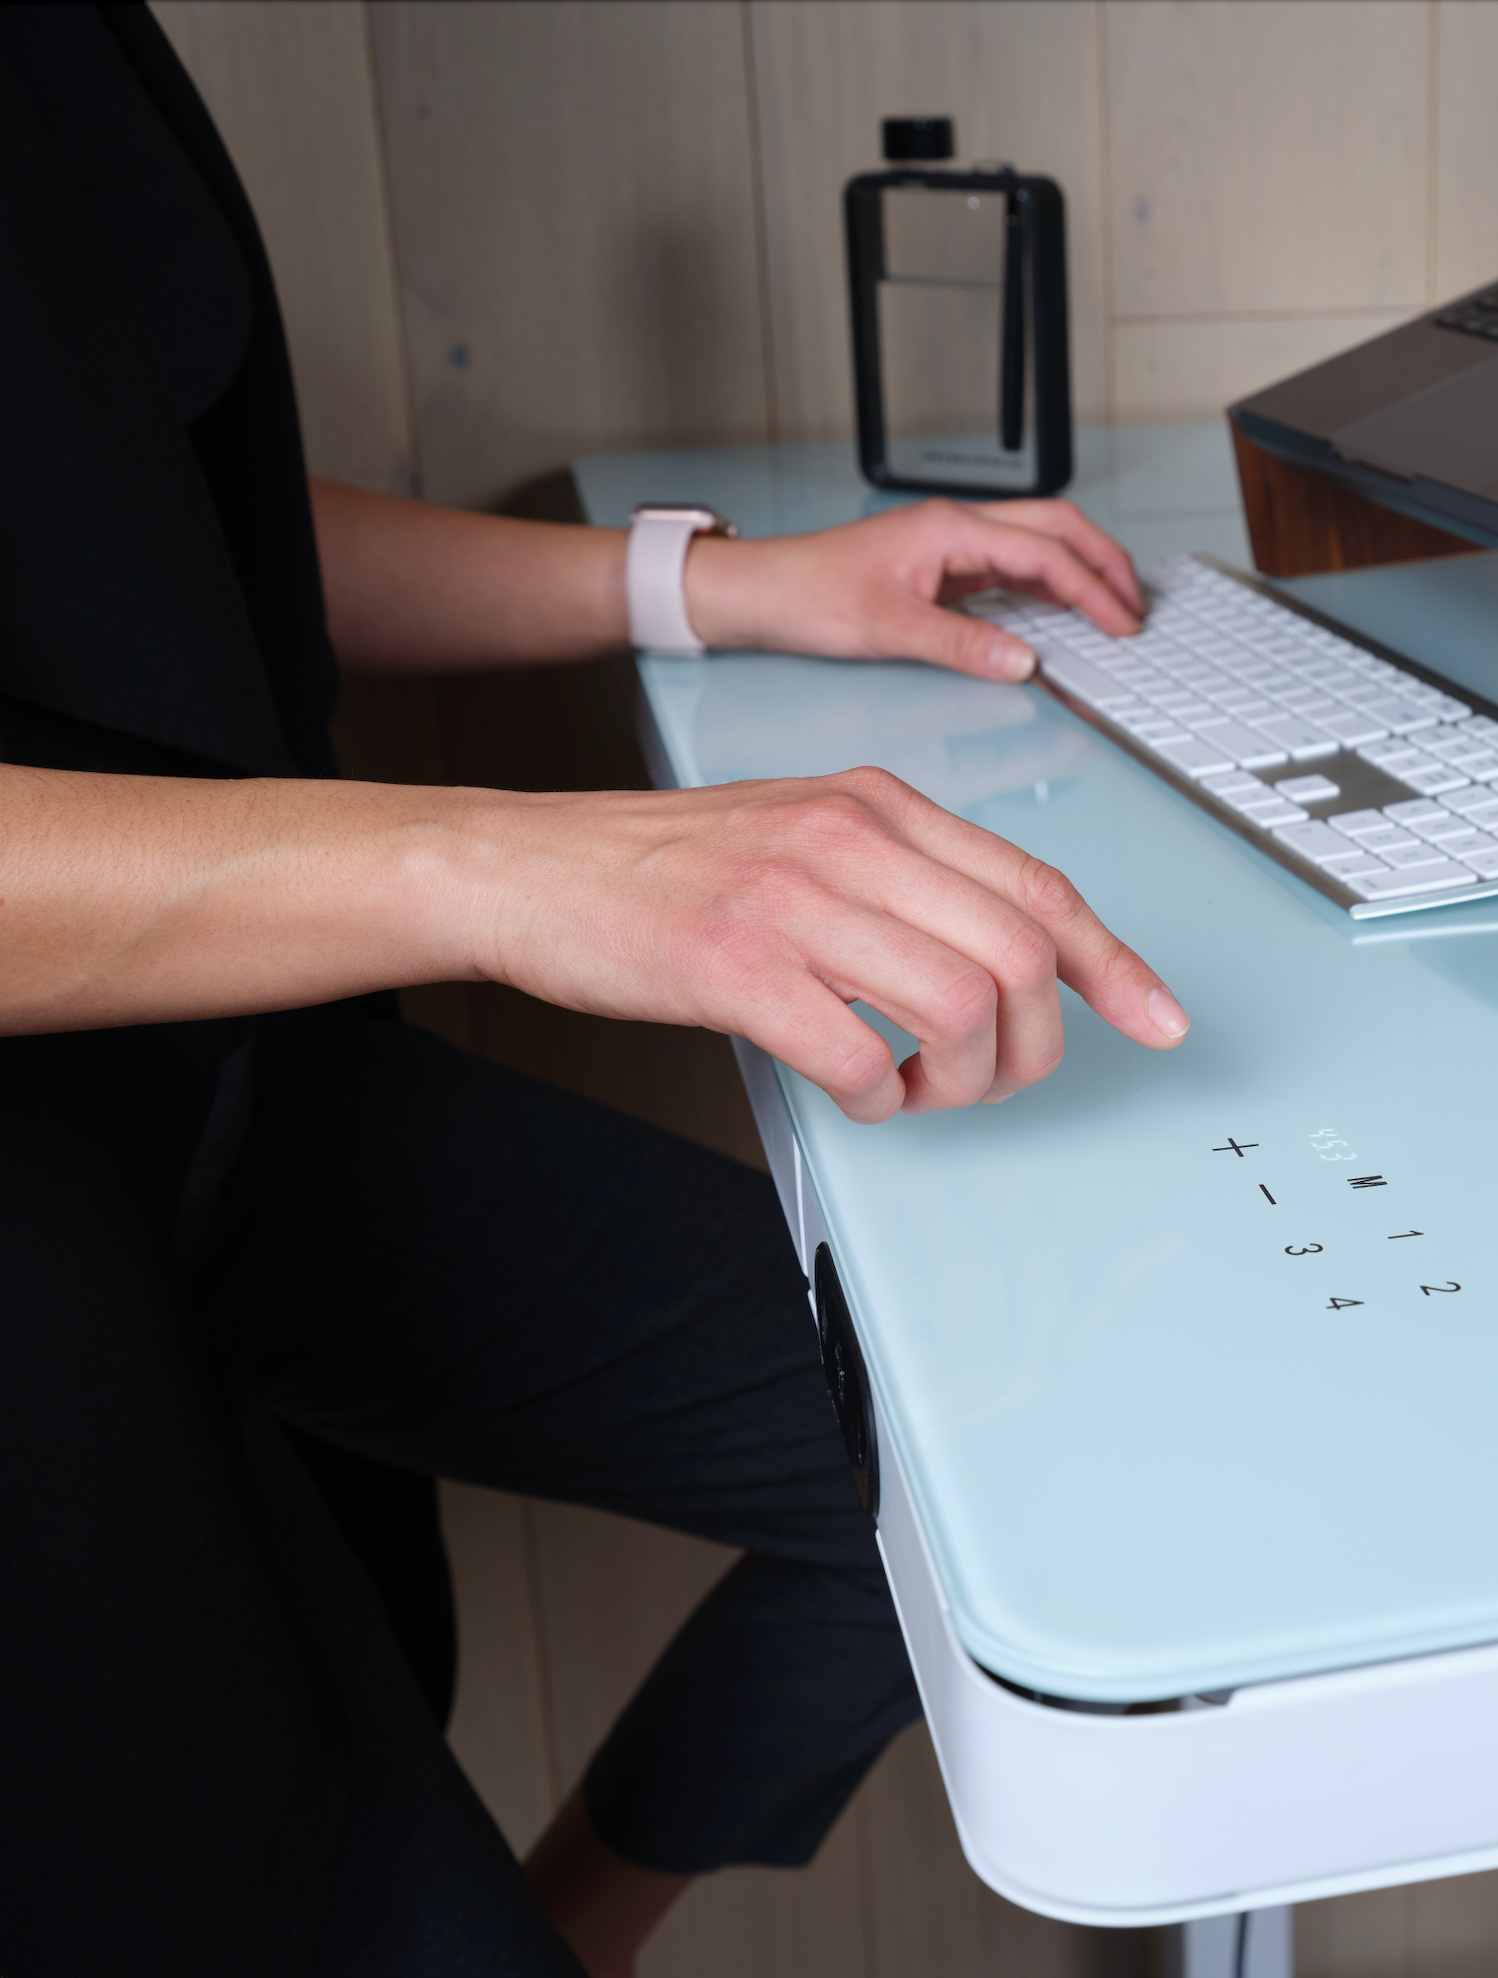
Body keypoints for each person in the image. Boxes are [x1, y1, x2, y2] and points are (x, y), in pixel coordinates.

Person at [0, 8, 1184, 1974]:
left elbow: (125, 532)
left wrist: (712, 584)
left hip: (238, 1092)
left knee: (1016, 1446)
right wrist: (487, 861)